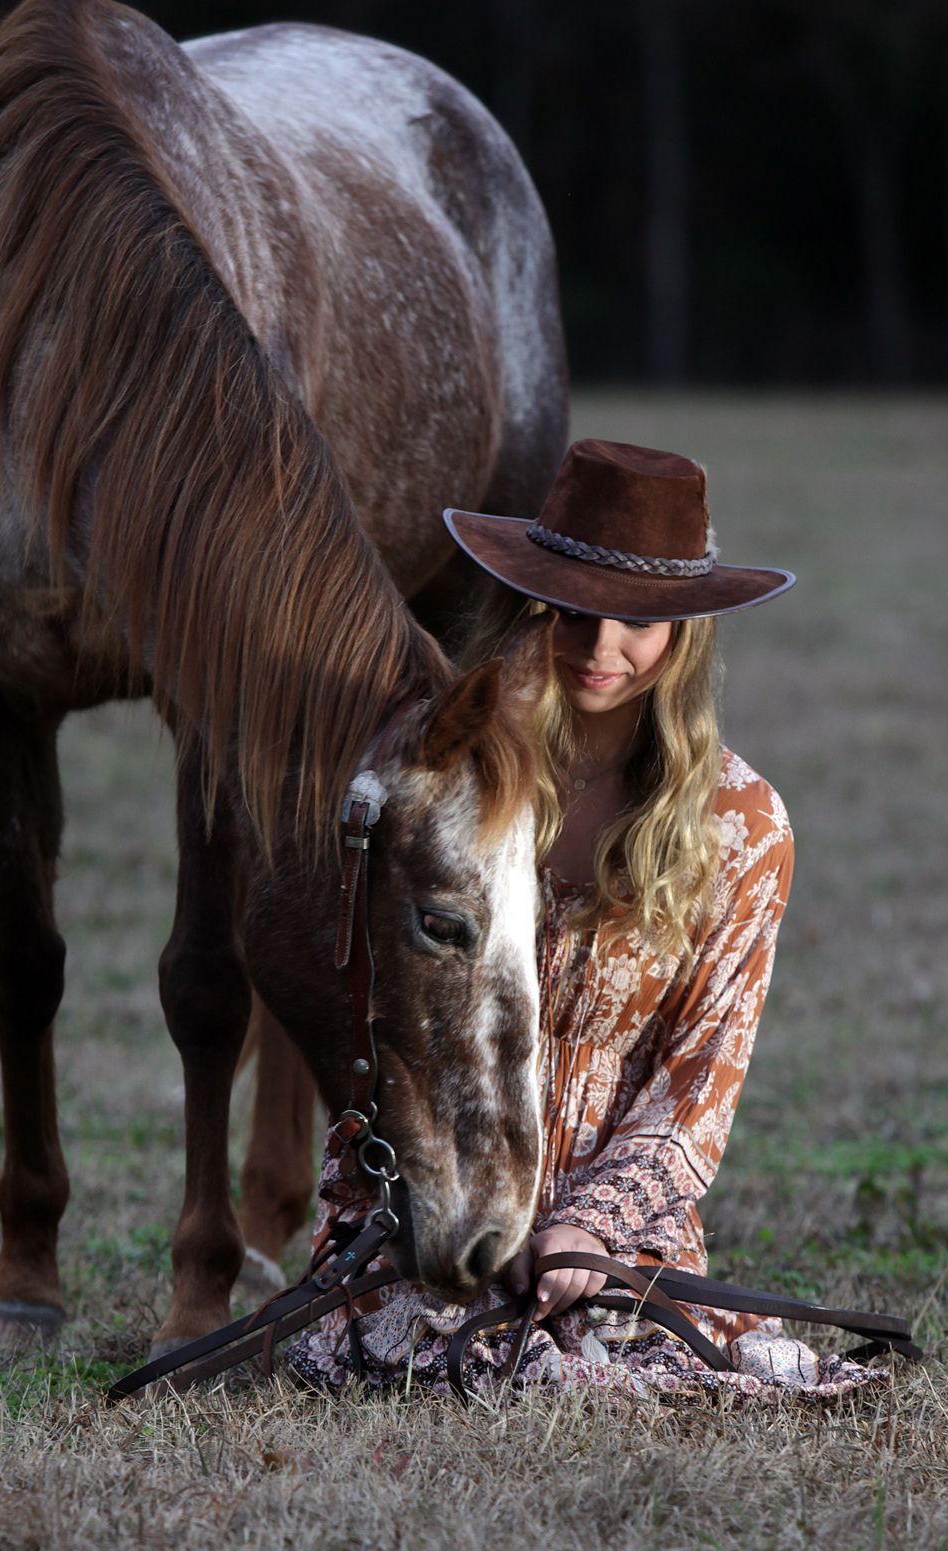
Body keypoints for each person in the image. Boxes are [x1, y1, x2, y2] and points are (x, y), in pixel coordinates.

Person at [287, 440, 886, 1401]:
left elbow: (700, 1079)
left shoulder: (743, 827)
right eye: (569, 610)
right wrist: (449, 1200)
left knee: (634, 1379)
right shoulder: (446, 784)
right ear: (527, 608)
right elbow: (379, 1009)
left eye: (638, 621)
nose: (601, 647)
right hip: (441, 1195)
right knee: (414, 1360)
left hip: (616, 1238)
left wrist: (588, 1229)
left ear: (686, 630)